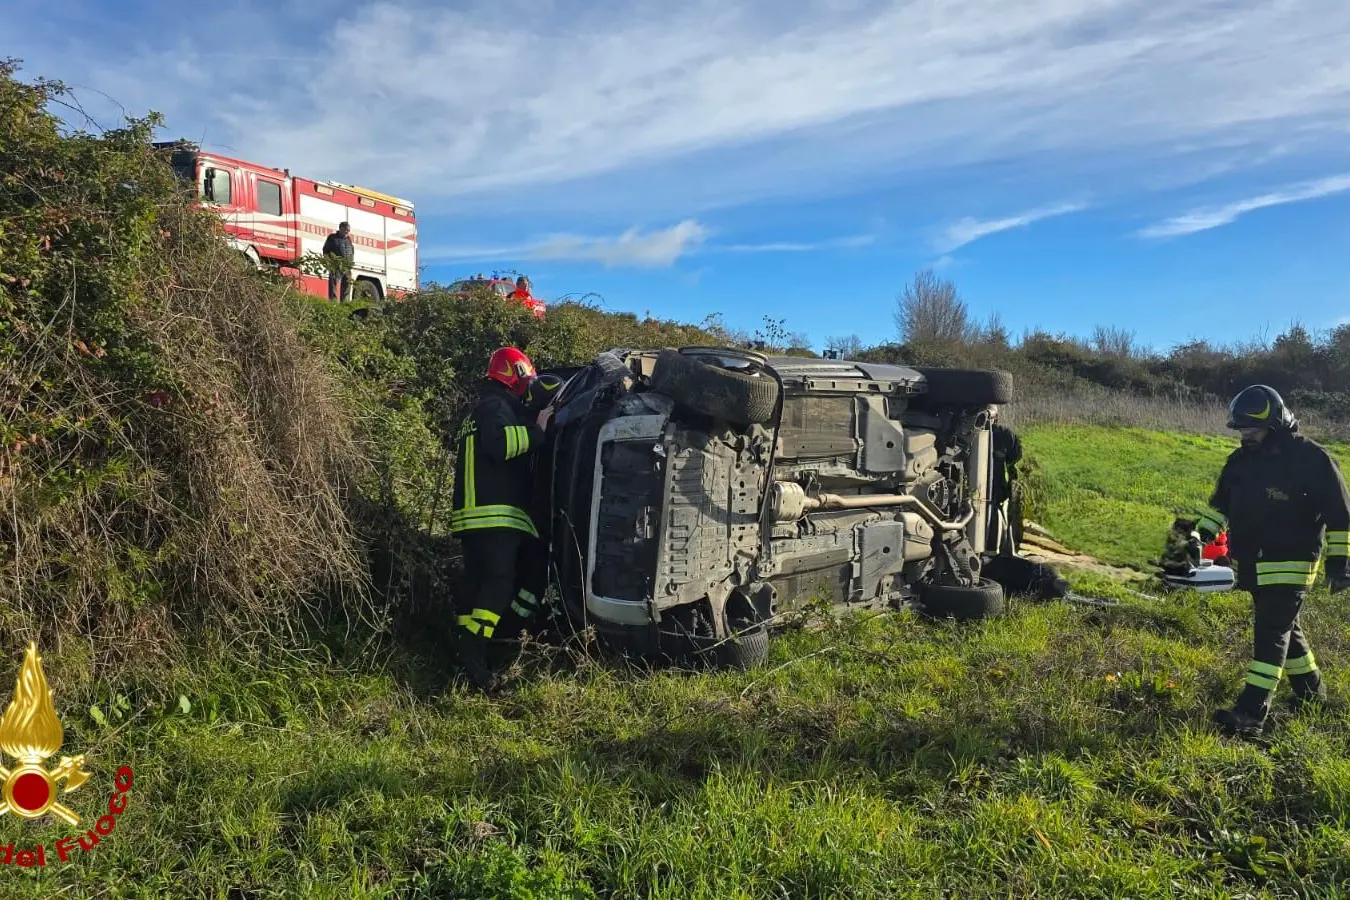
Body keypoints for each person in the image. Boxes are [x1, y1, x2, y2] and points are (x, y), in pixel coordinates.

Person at [1180, 384, 1350, 736]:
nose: (1245, 436)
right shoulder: (1240, 462)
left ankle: (1251, 712)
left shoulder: (1310, 458)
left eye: (1252, 429)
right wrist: (1199, 537)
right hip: (1253, 564)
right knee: (1287, 629)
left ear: (1274, 423)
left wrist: (1340, 564)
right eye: (1241, 430)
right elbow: (1220, 507)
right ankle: (1312, 694)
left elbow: (1340, 515)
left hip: (1292, 564)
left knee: (1270, 633)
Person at [448, 347, 552, 689]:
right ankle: (476, 651)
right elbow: (501, 446)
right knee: (499, 583)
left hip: (473, 519)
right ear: (516, 374)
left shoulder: (479, 410)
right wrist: (538, 431)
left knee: (477, 584)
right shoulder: (495, 407)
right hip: (494, 517)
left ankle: (471, 646)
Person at [323, 222, 355, 301]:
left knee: (347, 284)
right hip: (335, 265)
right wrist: (328, 261)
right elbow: (325, 250)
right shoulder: (332, 238)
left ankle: (344, 302)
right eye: (346, 229)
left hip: (346, 266)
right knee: (333, 283)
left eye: (348, 230)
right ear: (340, 228)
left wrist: (350, 264)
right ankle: (333, 301)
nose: (347, 232)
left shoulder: (349, 240)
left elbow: (352, 252)